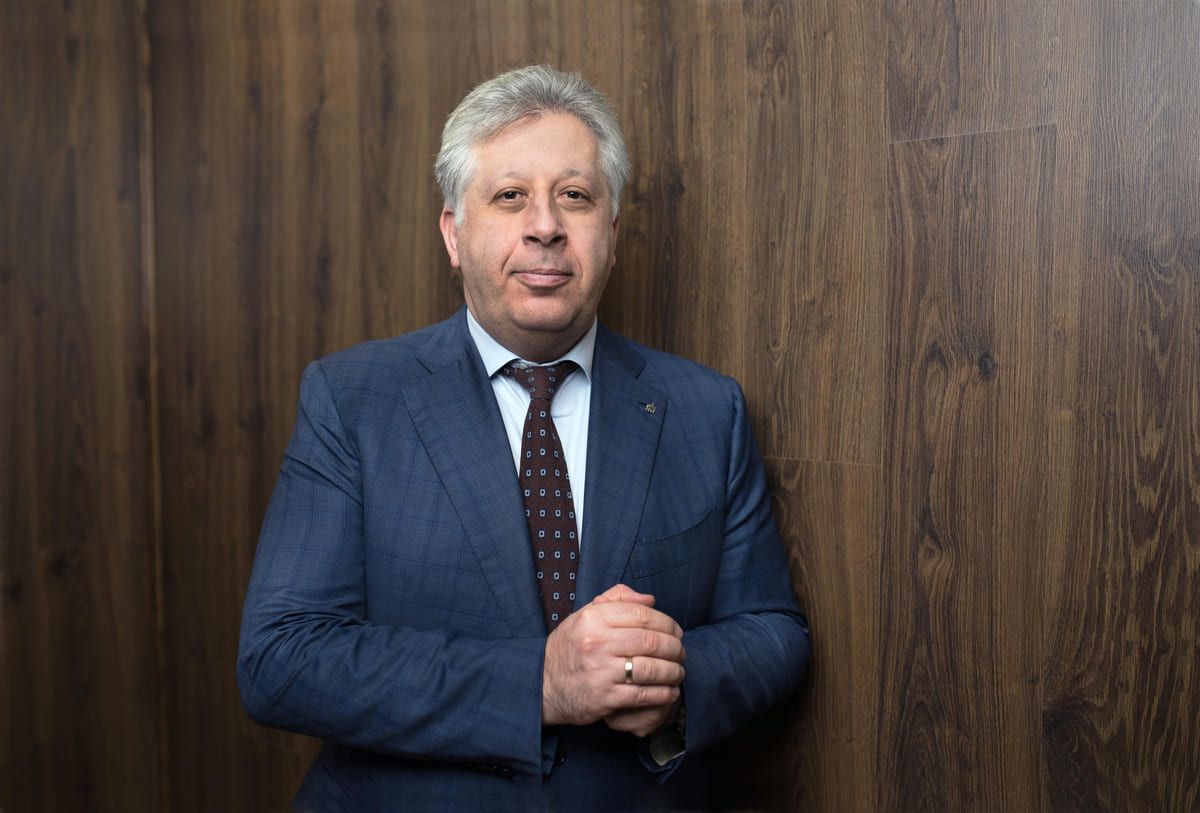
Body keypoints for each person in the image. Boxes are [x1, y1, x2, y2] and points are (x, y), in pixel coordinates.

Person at [238, 64, 810, 812]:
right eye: (510, 196)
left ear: (611, 232)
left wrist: (673, 680)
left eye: (575, 196)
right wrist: (540, 682)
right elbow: (281, 657)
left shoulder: (706, 409)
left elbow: (773, 632)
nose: (545, 225)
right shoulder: (352, 401)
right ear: (454, 233)